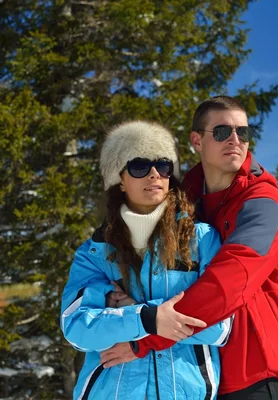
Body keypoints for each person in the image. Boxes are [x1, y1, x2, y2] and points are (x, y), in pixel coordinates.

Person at [107, 96, 278, 399]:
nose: (235, 140)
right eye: (221, 132)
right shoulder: (182, 197)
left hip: (247, 376)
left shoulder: (263, 205)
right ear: (196, 140)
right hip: (191, 376)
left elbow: (228, 284)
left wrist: (146, 333)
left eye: (242, 132)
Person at [60, 120, 233, 400]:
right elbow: (77, 328)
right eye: (139, 166)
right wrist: (149, 318)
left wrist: (132, 311)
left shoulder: (201, 240)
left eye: (162, 166)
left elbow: (220, 325)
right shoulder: (95, 253)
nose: (154, 174)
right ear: (120, 181)